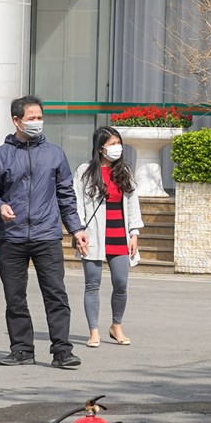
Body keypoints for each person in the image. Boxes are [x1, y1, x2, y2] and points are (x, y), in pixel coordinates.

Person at [0, 95, 87, 370]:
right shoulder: (0, 155)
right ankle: (22, 349)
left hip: (47, 236)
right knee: (15, 297)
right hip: (11, 238)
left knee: (56, 295)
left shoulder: (54, 153)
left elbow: (66, 195)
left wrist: (76, 228)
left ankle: (62, 350)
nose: (37, 122)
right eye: (31, 118)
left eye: (40, 117)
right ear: (16, 120)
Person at [75, 126, 143, 349]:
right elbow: (77, 204)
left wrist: (134, 233)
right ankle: (93, 331)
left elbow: (132, 204)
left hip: (119, 234)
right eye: (112, 144)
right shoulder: (85, 171)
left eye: (118, 143)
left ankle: (116, 325)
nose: (117, 148)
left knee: (121, 283)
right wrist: (79, 231)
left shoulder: (124, 171)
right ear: (100, 147)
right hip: (94, 234)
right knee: (92, 284)